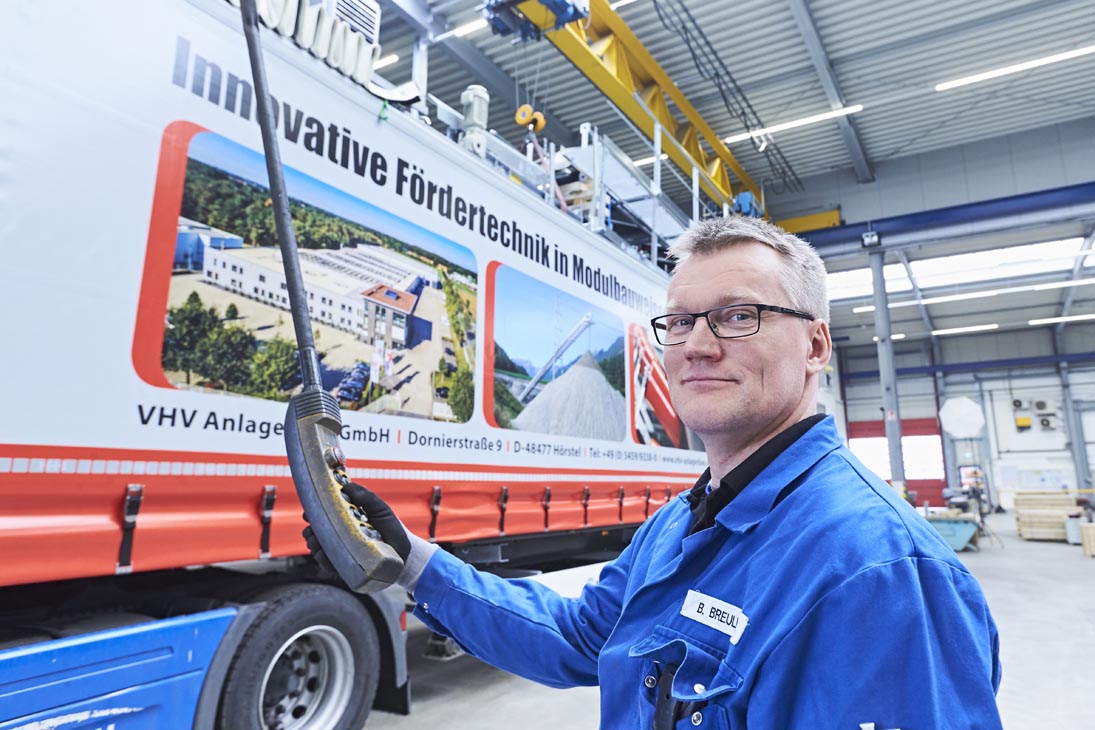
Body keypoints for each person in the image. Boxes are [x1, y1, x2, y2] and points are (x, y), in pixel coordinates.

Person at [307, 216, 1002, 729]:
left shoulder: (876, 570)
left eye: (738, 316)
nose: (697, 345)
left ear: (815, 343)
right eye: (679, 321)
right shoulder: (680, 523)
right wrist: (415, 565)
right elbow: (580, 637)